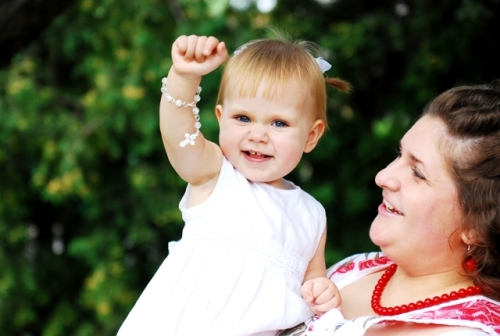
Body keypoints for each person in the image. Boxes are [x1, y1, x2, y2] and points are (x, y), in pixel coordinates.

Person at [117, 33, 350, 335]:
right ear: (220, 116)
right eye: (243, 117)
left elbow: (312, 282)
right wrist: (184, 77)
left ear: (311, 136)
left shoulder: (312, 214)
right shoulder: (215, 174)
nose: (258, 134)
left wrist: (322, 291)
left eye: (278, 123)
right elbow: (178, 134)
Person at [278, 81, 500, 336]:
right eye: (398, 154)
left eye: (418, 173)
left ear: (476, 226)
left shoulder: (467, 332)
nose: (383, 176)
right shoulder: (353, 270)